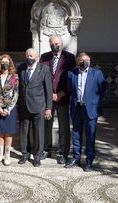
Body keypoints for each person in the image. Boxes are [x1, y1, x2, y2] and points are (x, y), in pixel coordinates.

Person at [65, 53, 106, 172]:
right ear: (77, 62)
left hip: (91, 109)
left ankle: (89, 161)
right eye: (81, 60)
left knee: (90, 136)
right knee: (76, 134)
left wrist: (95, 102)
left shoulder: (97, 73)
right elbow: (70, 89)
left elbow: (103, 89)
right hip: (77, 107)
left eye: (86, 60)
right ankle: (76, 158)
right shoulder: (71, 73)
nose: (84, 62)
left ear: (90, 61)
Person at [40, 36, 76, 164]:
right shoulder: (44, 57)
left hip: (63, 97)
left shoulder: (69, 57)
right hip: (48, 98)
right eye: (52, 43)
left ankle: (63, 152)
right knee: (46, 124)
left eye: (57, 43)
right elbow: (42, 77)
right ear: (49, 44)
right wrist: (50, 94)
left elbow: (72, 77)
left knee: (64, 126)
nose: (55, 45)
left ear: (61, 44)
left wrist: (62, 92)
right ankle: (46, 149)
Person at [17, 48, 53, 167]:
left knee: (38, 132)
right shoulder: (21, 68)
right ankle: (24, 154)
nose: (29, 57)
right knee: (24, 132)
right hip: (24, 106)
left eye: (31, 56)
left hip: (38, 106)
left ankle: (37, 156)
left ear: (37, 57)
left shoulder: (44, 69)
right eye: (27, 55)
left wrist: (48, 108)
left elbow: (48, 90)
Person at [0, 54, 19, 166]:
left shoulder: (14, 77)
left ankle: (7, 155)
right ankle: (0, 154)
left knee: (8, 133)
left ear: (10, 63)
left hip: (10, 109)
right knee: (0, 132)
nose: (5, 64)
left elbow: (16, 94)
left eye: (7, 62)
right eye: (2, 62)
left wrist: (8, 109)